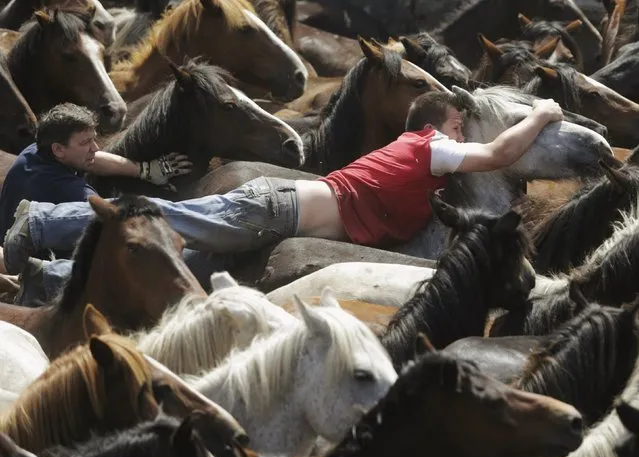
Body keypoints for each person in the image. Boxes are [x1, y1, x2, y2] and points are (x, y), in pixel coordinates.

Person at [3, 93, 564, 303]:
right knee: (161, 218)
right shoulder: (430, 143)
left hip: (280, 222)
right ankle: (44, 223)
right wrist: (541, 112)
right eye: (458, 122)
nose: (462, 132)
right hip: (274, 209)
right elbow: (498, 156)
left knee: (176, 262)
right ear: (435, 125)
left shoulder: (422, 159)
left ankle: (44, 279)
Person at [0, 103, 192, 243]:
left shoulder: (34, 151)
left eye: (94, 139)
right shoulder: (75, 193)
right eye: (85, 143)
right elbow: (118, 228)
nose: (96, 147)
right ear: (58, 149)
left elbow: (93, 161)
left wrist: (144, 170)